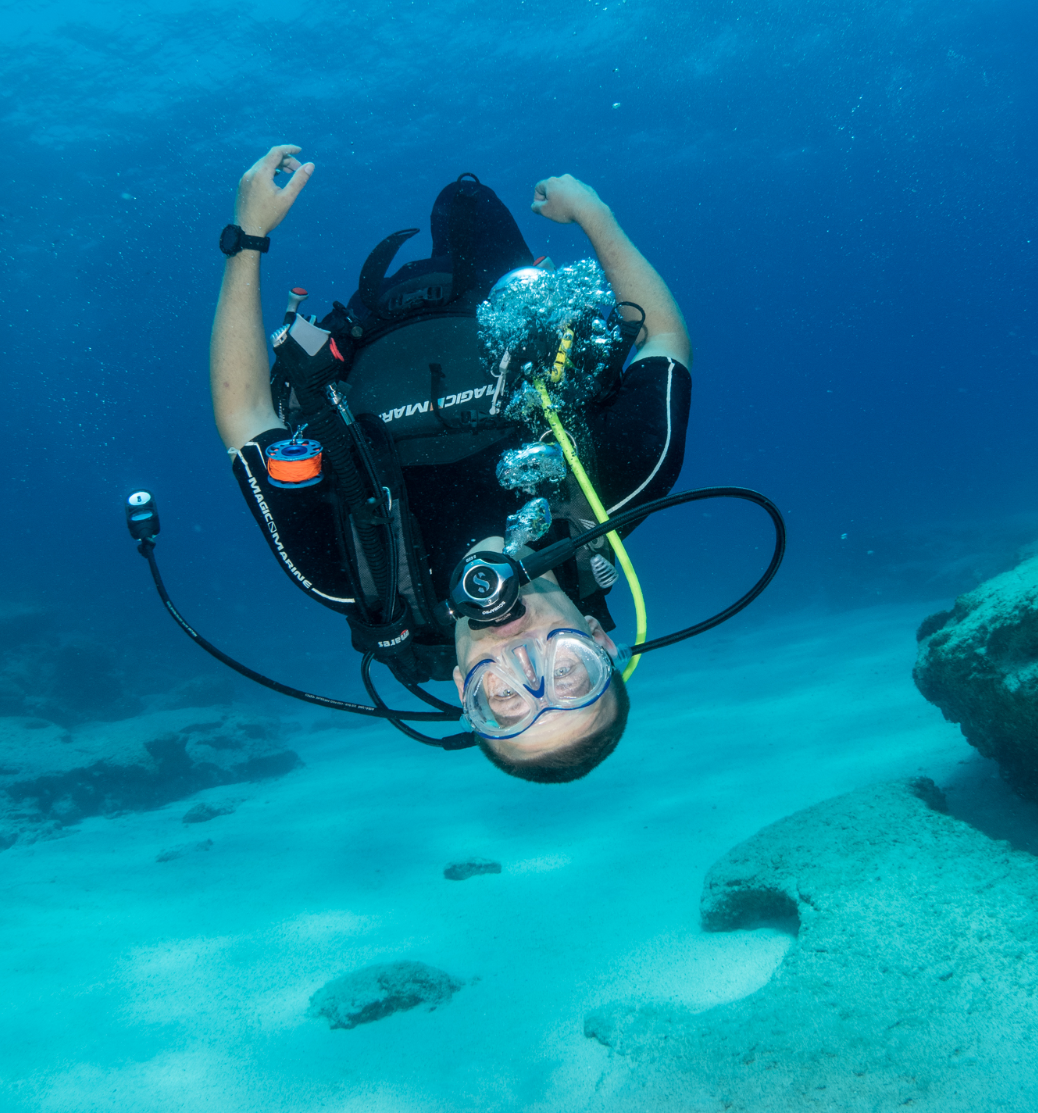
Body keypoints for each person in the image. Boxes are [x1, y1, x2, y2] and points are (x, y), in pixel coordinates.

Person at [210, 144, 692, 781]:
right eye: (570, 674)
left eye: (506, 701)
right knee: (467, 197)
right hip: (492, 295)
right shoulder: (611, 493)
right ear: (601, 642)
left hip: (365, 328)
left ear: (467, 689)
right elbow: (663, 340)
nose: (524, 661)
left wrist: (248, 237)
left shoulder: (353, 578)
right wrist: (594, 215)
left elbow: (247, 422)